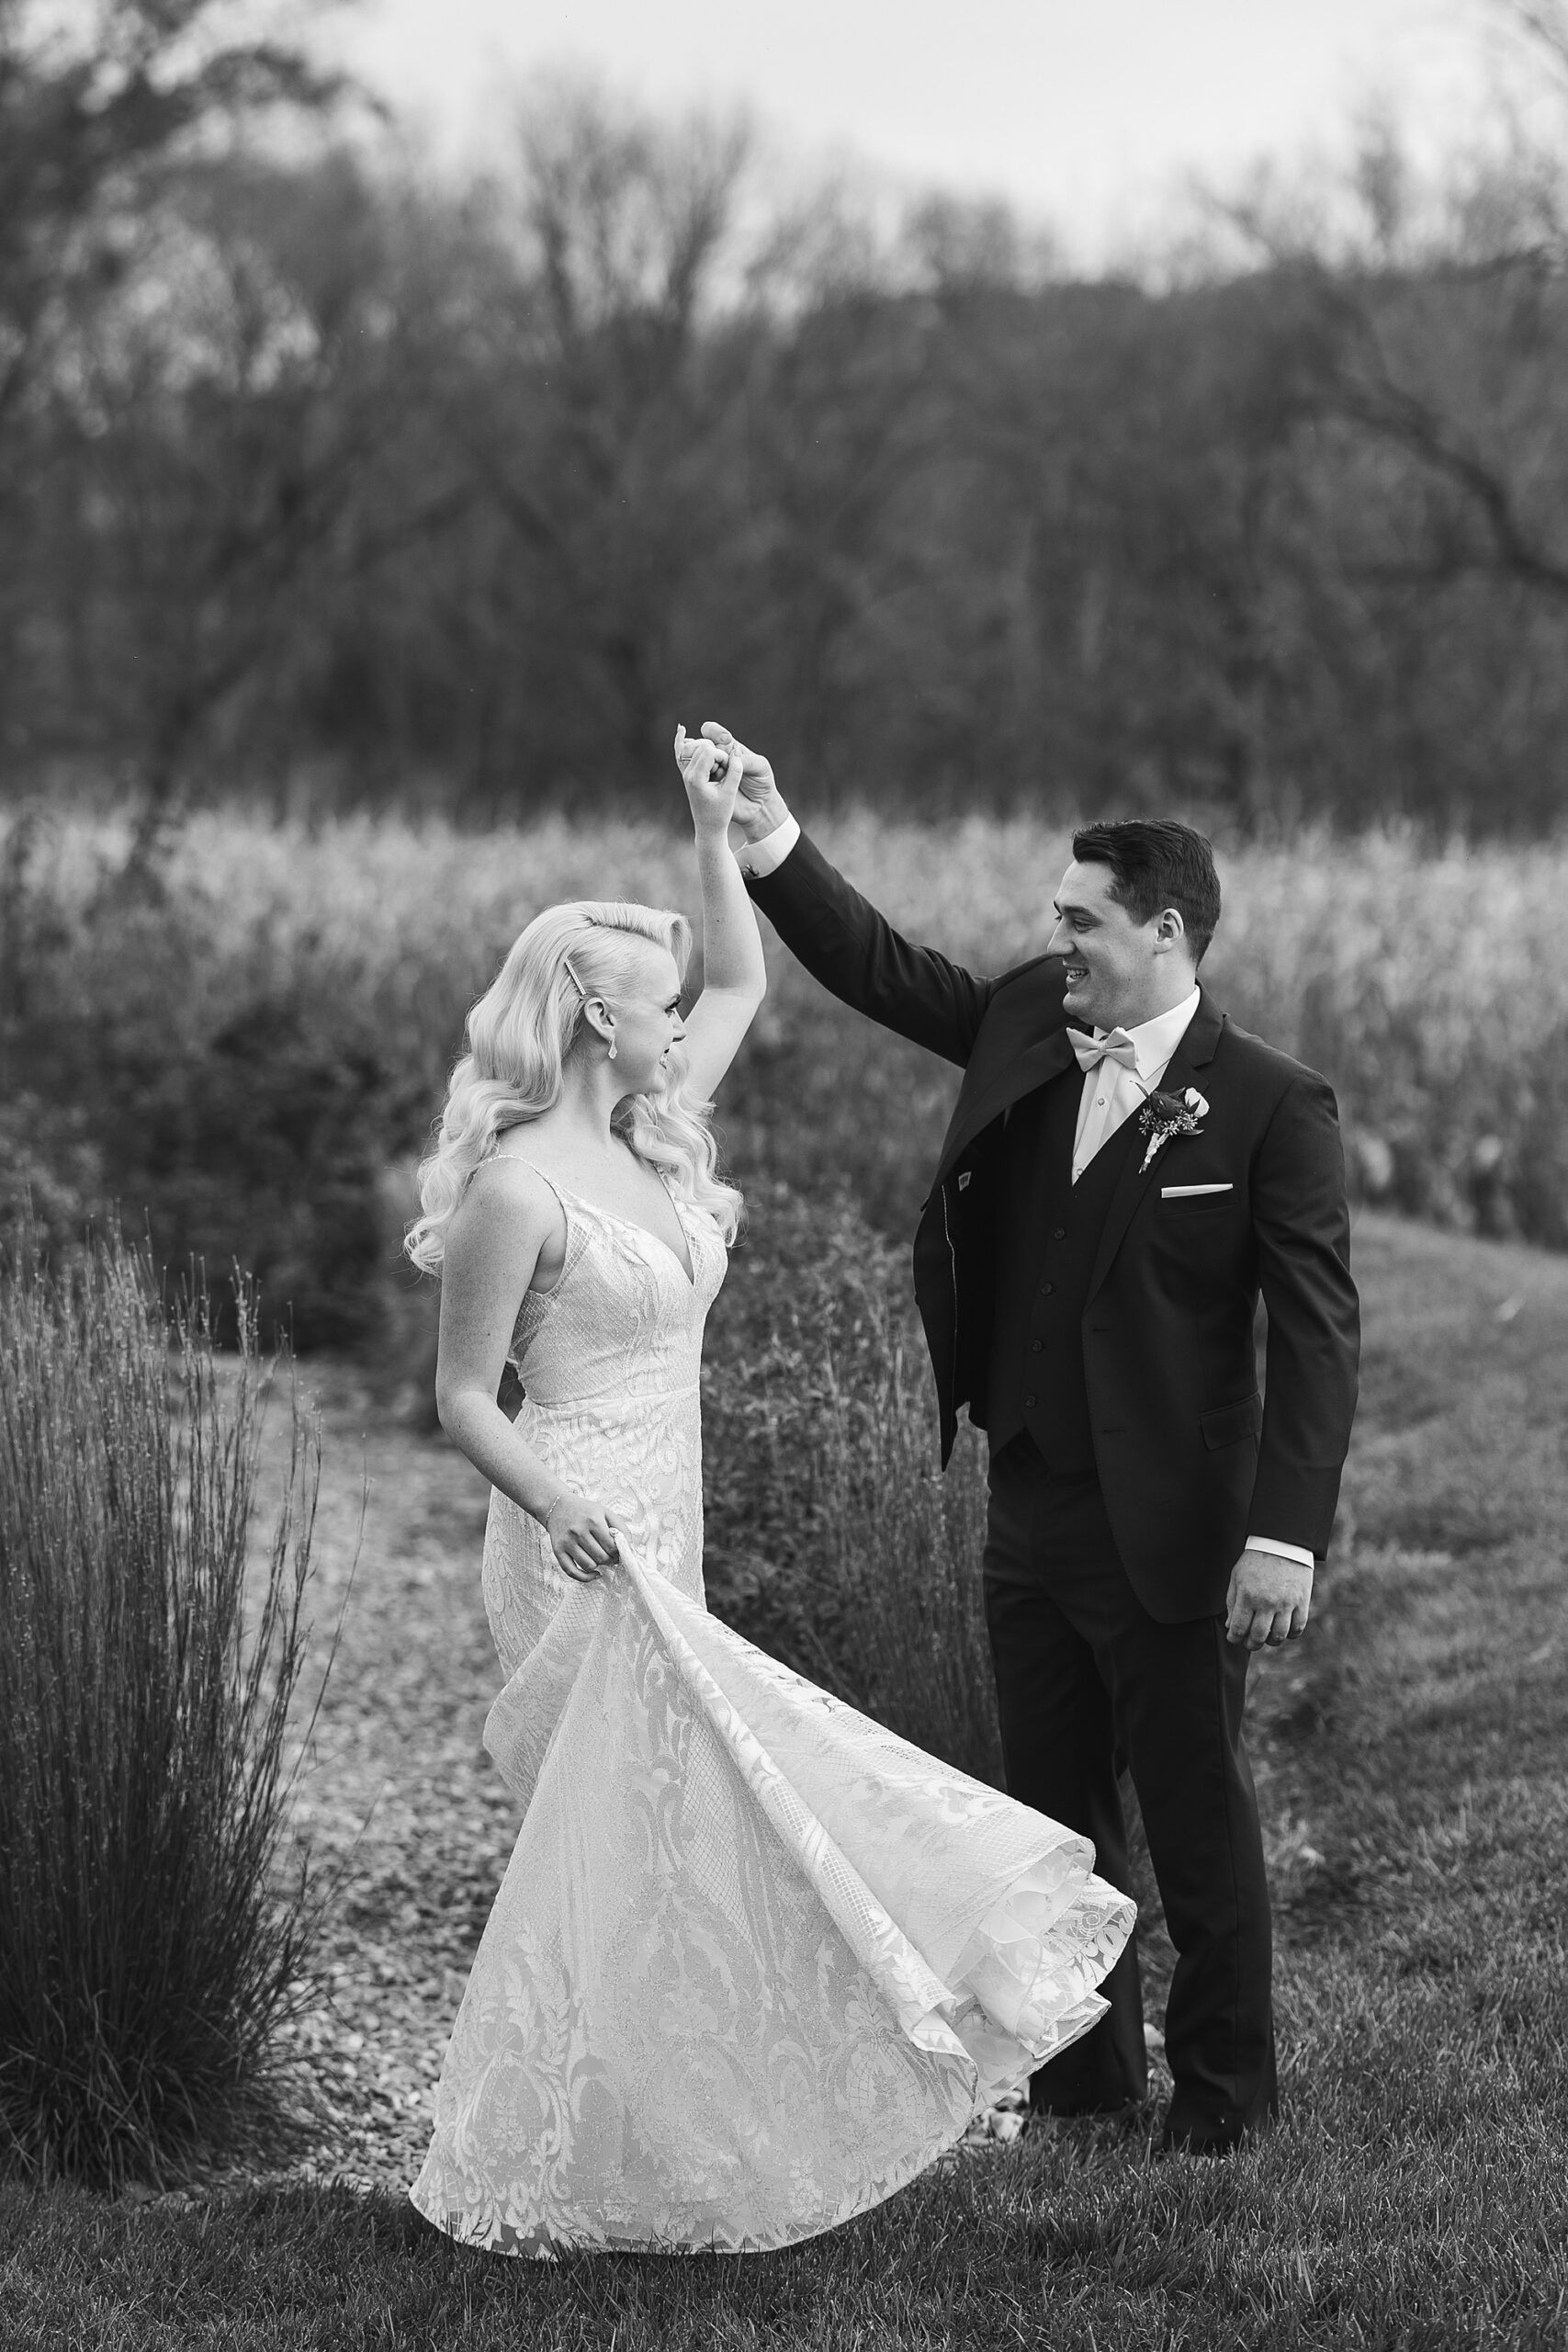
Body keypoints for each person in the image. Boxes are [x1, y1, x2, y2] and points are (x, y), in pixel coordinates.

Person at [402, 731, 1134, 2256]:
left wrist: (712, 827)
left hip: (672, 1514)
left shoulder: (653, 1134)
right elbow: (465, 1398)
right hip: (580, 1538)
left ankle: (675, 2145)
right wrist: (553, 1509)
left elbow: (736, 980)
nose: (692, 1024)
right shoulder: (518, 1187)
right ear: (601, 1021)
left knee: (678, 1850)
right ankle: (578, 2155)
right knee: (630, 1843)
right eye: (657, 1009)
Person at [713, 725, 1360, 2155]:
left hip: (1180, 1526)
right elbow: (887, 970)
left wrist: (1283, 1533)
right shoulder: (1025, 1018)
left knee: (1195, 1819)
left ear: (1167, 930)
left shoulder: (1271, 1104)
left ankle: (1223, 2107)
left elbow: (1318, 1335)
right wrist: (771, 836)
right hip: (1032, 1501)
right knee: (1054, 1818)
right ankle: (1082, 2085)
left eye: (1081, 918)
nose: (1053, 935)